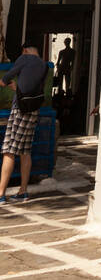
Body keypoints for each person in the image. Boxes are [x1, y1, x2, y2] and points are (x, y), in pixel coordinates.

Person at [0, 42, 48, 204]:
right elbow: (31, 87)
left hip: (20, 109)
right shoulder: (43, 65)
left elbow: (5, 79)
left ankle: (0, 193)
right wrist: (17, 88)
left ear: (25, 50)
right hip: (33, 110)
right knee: (25, 150)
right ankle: (23, 191)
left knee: (9, 149)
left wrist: (6, 82)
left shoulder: (24, 58)